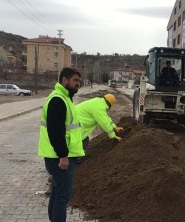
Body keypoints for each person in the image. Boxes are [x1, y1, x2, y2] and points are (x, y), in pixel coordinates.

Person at [38, 67, 84, 222]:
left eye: (79, 80)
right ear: (64, 80)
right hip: (60, 157)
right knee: (63, 196)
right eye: (75, 80)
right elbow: (55, 131)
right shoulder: (58, 99)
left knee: (57, 193)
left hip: (59, 155)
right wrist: (63, 155)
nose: (78, 83)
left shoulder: (64, 97)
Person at [75, 94, 123, 163]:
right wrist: (113, 136)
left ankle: (77, 158)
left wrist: (115, 127)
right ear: (110, 105)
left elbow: (106, 118)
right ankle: (74, 160)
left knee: (84, 139)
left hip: (77, 124)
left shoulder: (98, 103)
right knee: (77, 142)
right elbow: (104, 123)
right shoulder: (99, 108)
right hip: (75, 125)